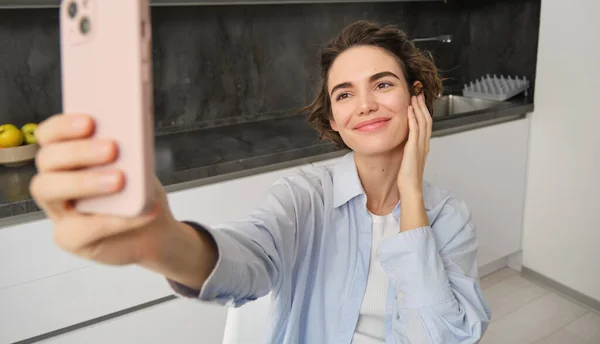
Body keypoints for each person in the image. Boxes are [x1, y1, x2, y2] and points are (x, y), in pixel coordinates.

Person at [30, 20, 491, 343]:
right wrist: (161, 242)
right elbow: (250, 256)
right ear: (333, 118)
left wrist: (411, 194)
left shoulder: (449, 217)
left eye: (383, 84)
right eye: (345, 93)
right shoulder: (303, 198)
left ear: (417, 97)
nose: (365, 104)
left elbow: (448, 337)